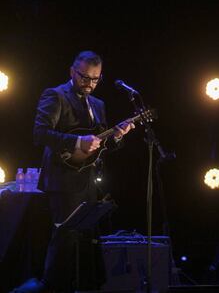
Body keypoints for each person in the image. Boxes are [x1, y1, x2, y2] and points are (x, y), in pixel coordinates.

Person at [13, 51, 134, 293]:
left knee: (87, 240)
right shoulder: (56, 96)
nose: (89, 83)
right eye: (84, 77)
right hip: (63, 179)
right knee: (65, 240)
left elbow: (98, 147)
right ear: (72, 71)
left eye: (95, 79)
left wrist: (117, 136)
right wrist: (77, 142)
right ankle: (53, 287)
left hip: (87, 179)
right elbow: (41, 134)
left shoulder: (98, 104)